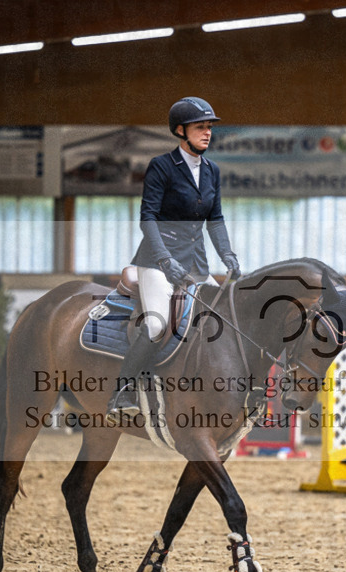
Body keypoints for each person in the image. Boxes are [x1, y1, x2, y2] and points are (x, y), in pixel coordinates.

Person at [105, 96, 241, 423]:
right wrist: (165, 261)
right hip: (157, 262)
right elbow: (147, 218)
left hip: (196, 264)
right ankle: (121, 393)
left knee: (225, 317)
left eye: (209, 127)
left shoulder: (212, 171)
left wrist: (228, 255)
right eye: (200, 127)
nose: (207, 133)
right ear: (181, 131)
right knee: (156, 324)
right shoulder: (162, 167)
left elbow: (216, 219)